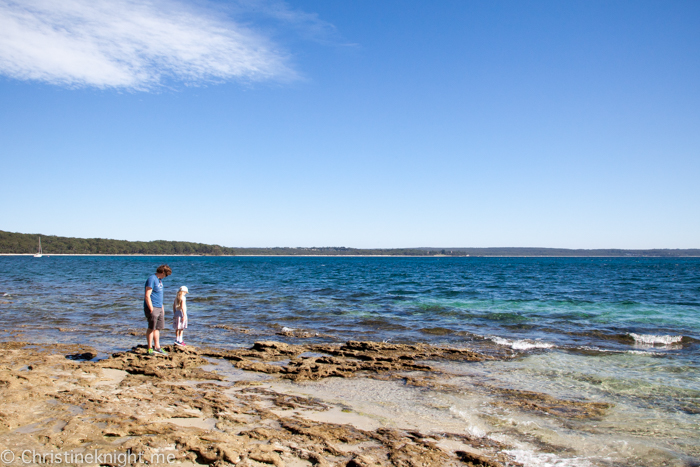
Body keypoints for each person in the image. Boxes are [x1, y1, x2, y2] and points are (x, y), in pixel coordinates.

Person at [144, 264, 172, 355]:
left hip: (159, 307)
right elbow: (147, 295)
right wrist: (151, 308)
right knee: (151, 328)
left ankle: (157, 347)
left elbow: (159, 295)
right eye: (166, 275)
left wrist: (162, 307)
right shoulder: (152, 279)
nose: (166, 277)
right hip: (152, 307)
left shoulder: (159, 281)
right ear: (162, 272)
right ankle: (149, 348)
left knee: (158, 328)